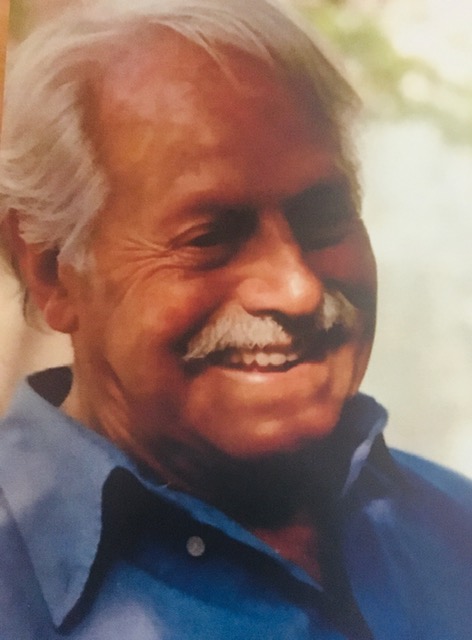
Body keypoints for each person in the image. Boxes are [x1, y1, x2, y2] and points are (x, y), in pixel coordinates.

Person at [0, 0, 470, 638]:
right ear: (51, 271)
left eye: (322, 216)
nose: (297, 290)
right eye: (210, 237)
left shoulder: (454, 529)